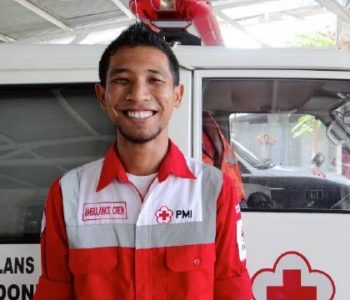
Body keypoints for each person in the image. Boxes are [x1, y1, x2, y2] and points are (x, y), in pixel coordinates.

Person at [34, 23, 252, 299]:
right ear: (102, 96)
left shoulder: (213, 190)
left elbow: (233, 291)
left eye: (155, 80)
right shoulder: (67, 194)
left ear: (177, 95)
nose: (138, 95)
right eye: (122, 80)